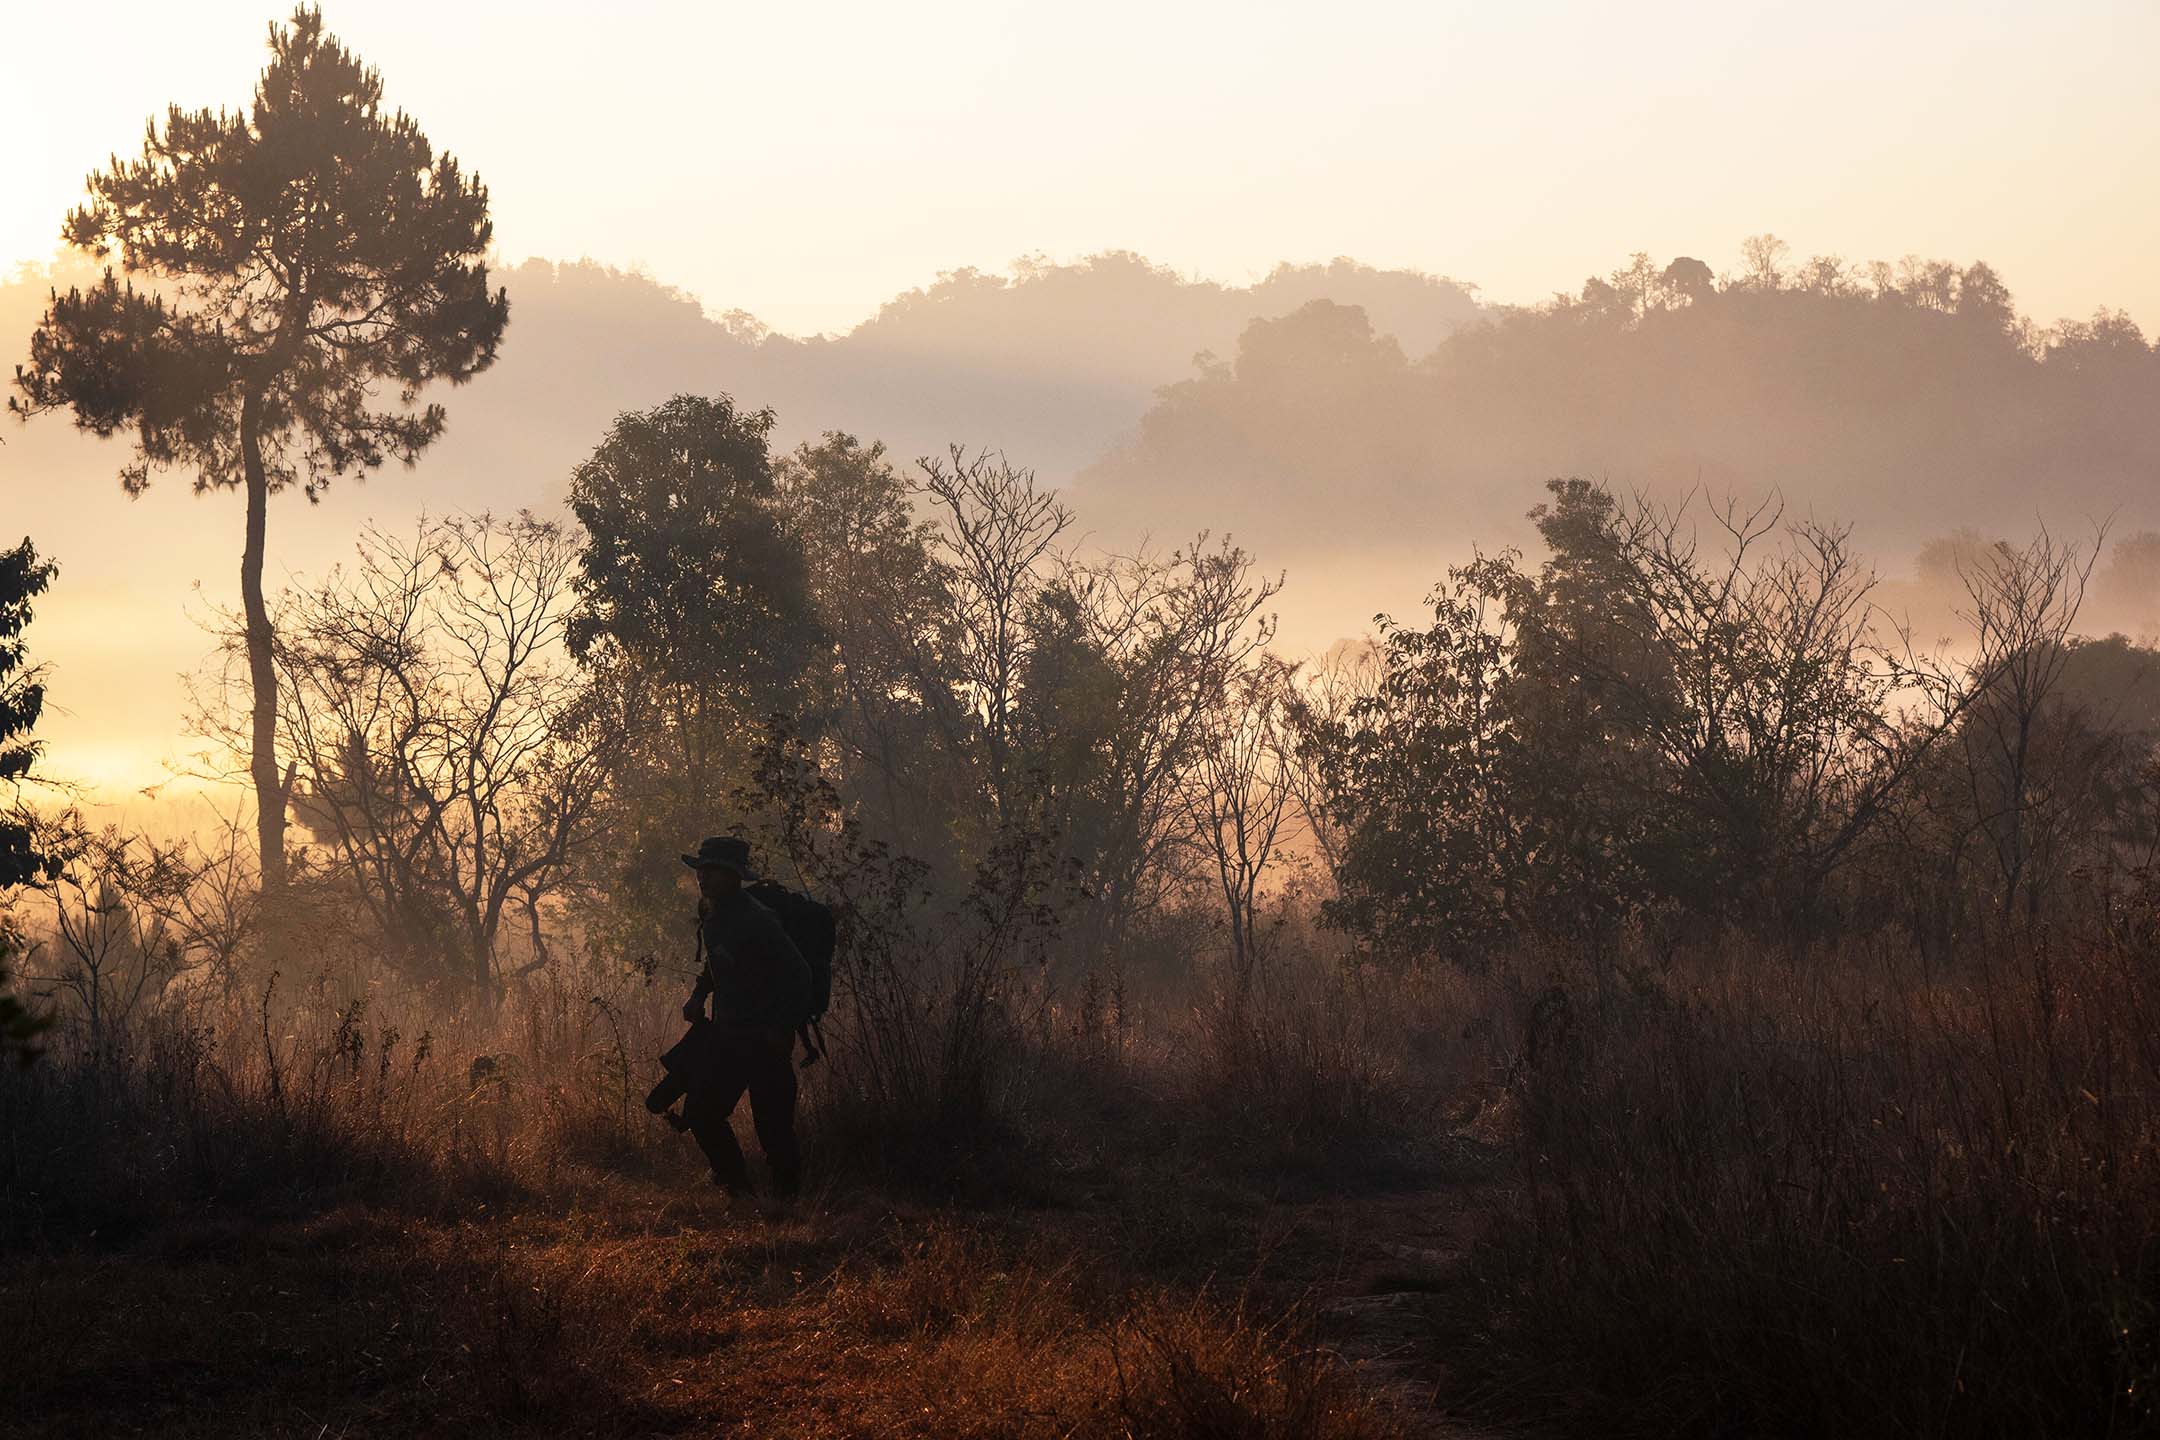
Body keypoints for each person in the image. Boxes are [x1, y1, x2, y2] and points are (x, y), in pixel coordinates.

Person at [651, 835, 812, 1201]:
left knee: (773, 1130)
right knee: (703, 1113)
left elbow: (801, 975)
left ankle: (787, 1208)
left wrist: (780, 1026)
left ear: (734, 877)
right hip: (729, 1037)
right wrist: (699, 993)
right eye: (701, 870)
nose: (702, 878)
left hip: (765, 1042)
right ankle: (740, 1194)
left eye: (712, 872)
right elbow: (718, 961)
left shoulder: (760, 920)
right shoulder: (714, 913)